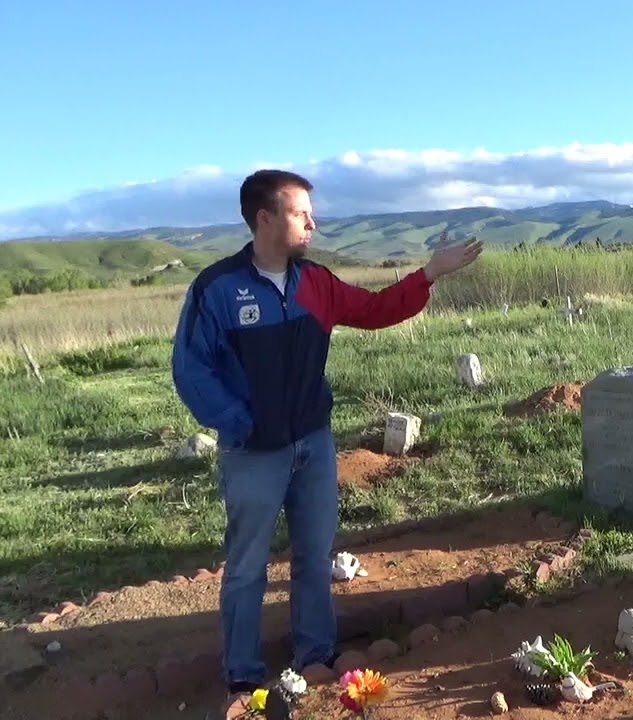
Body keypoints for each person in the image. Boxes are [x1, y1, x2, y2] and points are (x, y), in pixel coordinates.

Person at [171, 169, 482, 717]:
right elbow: (191, 369)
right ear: (264, 218)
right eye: (300, 213)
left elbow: (376, 310)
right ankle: (242, 676)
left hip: (313, 444)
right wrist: (238, 422)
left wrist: (429, 273)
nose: (312, 222)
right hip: (253, 455)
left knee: (315, 556)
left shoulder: (316, 283)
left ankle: (315, 653)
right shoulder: (217, 289)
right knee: (247, 566)